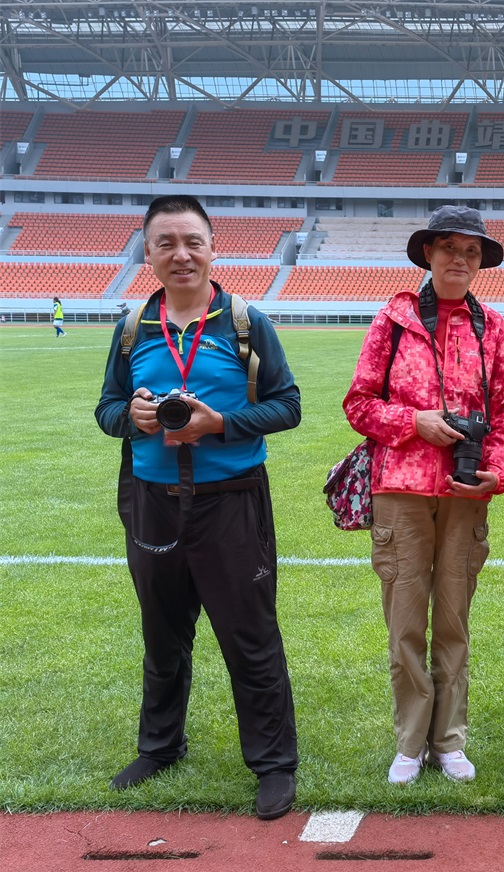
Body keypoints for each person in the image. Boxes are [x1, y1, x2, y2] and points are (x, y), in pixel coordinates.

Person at [94, 195, 301, 820]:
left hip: (230, 503)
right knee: (163, 631)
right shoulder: (133, 329)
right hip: (153, 502)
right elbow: (105, 410)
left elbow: (288, 405)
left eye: (192, 241)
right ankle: (160, 746)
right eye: (166, 243)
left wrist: (221, 424)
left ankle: (272, 763)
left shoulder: (244, 322)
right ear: (149, 254)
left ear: (213, 248)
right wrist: (130, 418)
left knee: (250, 635)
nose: (181, 254)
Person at [343, 205, 504, 786]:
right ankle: (411, 741)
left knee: (453, 623)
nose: (459, 260)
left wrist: (496, 471)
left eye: (470, 252)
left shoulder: (492, 325)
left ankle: (449, 741)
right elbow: (359, 405)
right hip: (401, 489)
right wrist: (414, 423)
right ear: (428, 255)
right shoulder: (392, 319)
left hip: (466, 491)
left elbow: (503, 417)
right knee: (405, 623)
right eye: (448, 249)